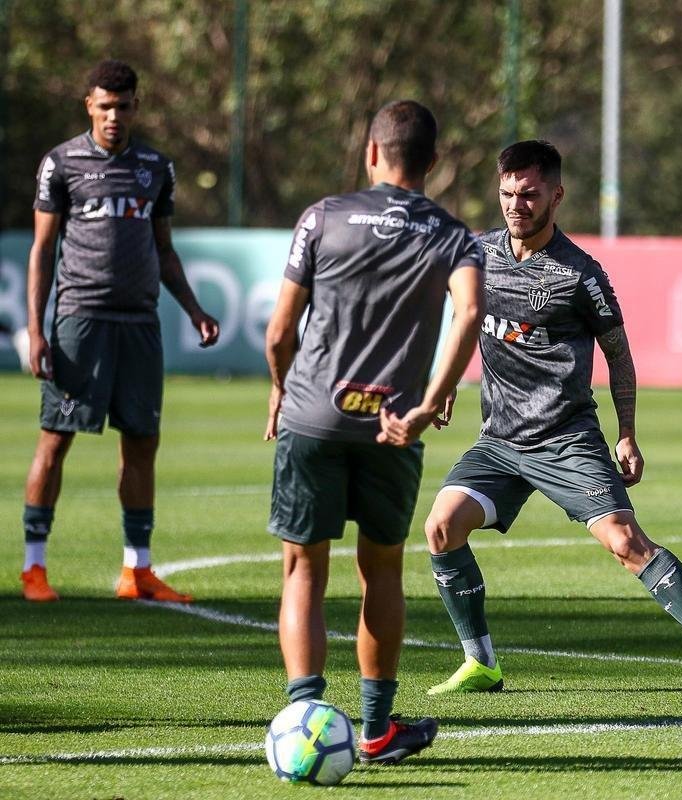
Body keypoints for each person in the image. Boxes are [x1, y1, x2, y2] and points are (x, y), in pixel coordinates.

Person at [414, 140, 682, 702]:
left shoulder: (581, 275)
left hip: (566, 438)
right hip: (500, 441)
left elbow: (619, 356)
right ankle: (481, 662)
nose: (516, 205)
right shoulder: (478, 255)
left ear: (557, 194)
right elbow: (461, 315)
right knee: (440, 527)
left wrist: (626, 431)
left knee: (625, 542)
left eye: (528, 195)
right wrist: (450, 381)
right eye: (506, 194)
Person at [264, 99, 485, 765]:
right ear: (433, 163)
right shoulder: (453, 236)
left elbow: (279, 332)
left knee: (304, 566)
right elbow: (470, 311)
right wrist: (432, 401)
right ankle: (376, 730)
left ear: (370, 152)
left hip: (312, 416)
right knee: (381, 568)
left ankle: (304, 721)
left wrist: (280, 389)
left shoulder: (321, 218)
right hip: (391, 426)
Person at [21, 59, 219, 604]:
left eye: (123, 105)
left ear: (136, 106)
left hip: (140, 323)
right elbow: (42, 250)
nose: (113, 115)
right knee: (55, 440)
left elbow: (164, 249)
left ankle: (137, 570)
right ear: (89, 104)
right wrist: (37, 331)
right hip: (79, 320)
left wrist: (195, 309)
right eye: (104, 105)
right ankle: (34, 567)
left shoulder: (156, 168)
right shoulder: (61, 163)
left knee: (141, 442)